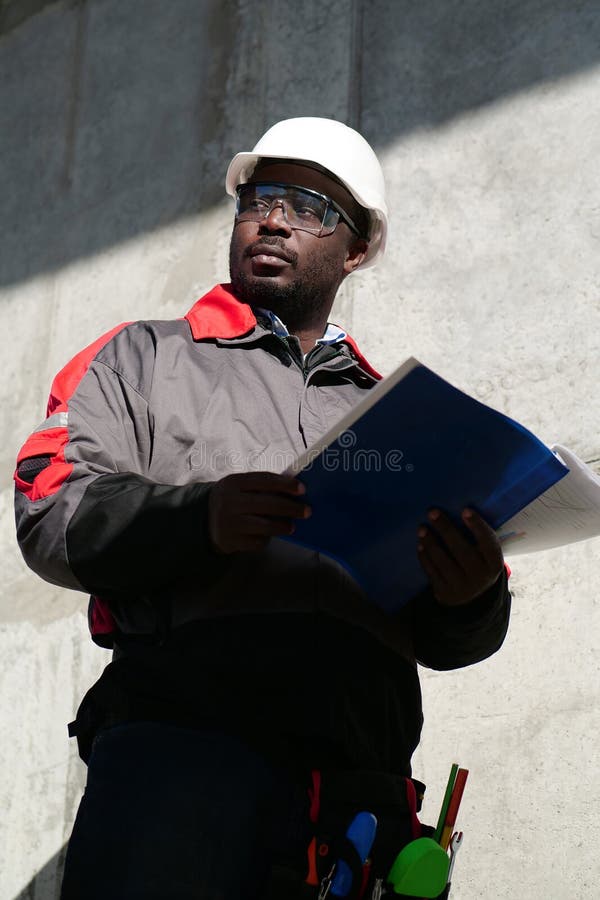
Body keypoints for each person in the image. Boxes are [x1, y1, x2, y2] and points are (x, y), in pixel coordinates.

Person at [14, 117, 510, 899]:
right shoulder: (139, 357)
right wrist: (200, 519)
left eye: (311, 208)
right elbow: (52, 509)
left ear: (355, 250)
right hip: (179, 780)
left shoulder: (400, 414)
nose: (275, 218)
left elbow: (446, 636)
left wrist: (472, 598)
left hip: (364, 799)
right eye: (262, 197)